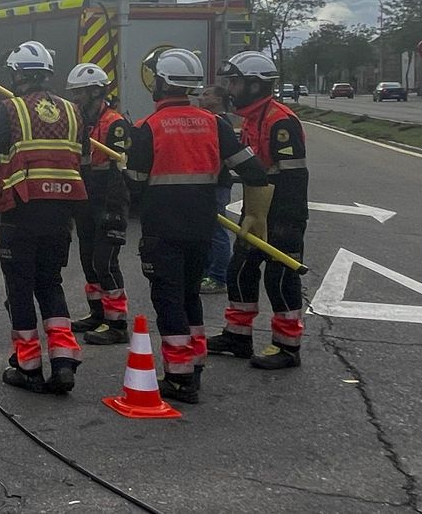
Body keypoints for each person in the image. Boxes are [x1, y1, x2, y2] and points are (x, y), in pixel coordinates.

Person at [126, 47, 270, 404]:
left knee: (168, 299)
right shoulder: (216, 124)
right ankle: (195, 363)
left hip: (162, 229)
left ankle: (179, 378)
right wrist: (255, 214)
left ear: (160, 83)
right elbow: (253, 171)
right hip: (203, 227)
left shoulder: (147, 128)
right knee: (190, 295)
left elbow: (134, 182)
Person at [0, 40, 86, 395]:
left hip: (21, 211)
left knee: (20, 290)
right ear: (48, 74)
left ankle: (28, 367)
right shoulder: (72, 111)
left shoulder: (10, 110)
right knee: (50, 284)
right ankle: (63, 362)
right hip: (61, 213)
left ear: (18, 75)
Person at [205, 51, 311, 370]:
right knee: (240, 271)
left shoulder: (280, 121)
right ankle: (238, 335)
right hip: (258, 208)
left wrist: (282, 224)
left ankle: (287, 346)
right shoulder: (252, 119)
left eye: (235, 83)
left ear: (255, 85)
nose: (230, 90)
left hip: (282, 211)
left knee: (280, 277)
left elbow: (292, 175)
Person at [65, 64, 132, 345]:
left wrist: (112, 209)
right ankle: (97, 314)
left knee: (105, 262)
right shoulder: (80, 123)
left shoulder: (115, 123)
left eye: (80, 93)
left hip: (109, 201)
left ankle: (117, 324)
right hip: (85, 201)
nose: (76, 99)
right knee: (88, 261)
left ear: (95, 91)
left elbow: (120, 170)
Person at [197, 83, 238, 295]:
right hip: (209, 184)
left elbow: (222, 155)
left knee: (217, 231)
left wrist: (210, 177)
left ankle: (218, 277)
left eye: (206, 94)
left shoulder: (221, 123)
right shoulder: (210, 121)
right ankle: (207, 271)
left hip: (216, 184)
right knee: (206, 230)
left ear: (218, 98)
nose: (200, 98)